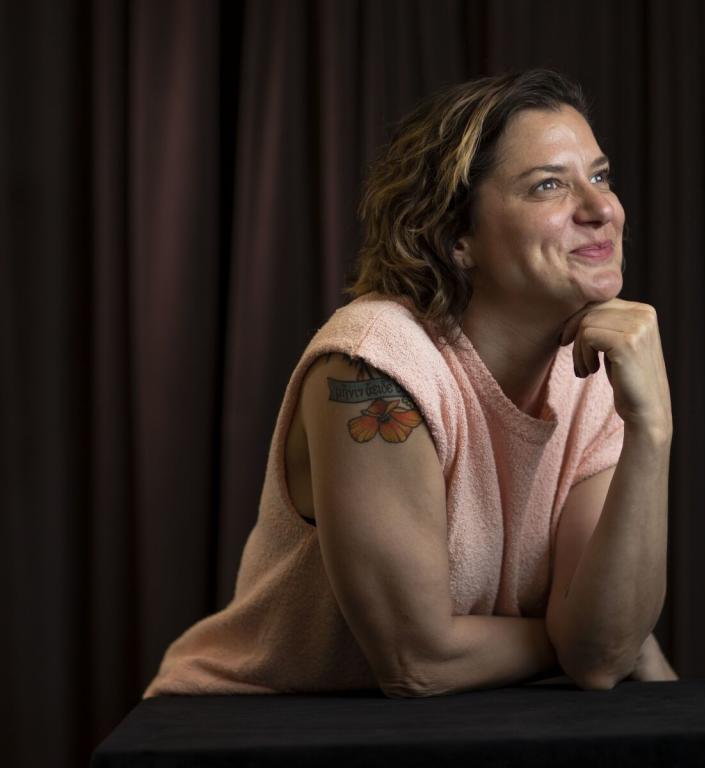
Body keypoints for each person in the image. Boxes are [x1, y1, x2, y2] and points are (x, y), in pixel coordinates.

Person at [144, 69, 676, 700]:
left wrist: (652, 429)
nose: (600, 209)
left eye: (601, 175)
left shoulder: (597, 369)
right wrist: (572, 632)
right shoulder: (374, 364)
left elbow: (599, 659)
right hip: (244, 733)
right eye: (549, 186)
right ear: (457, 237)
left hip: (439, 736)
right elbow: (417, 661)